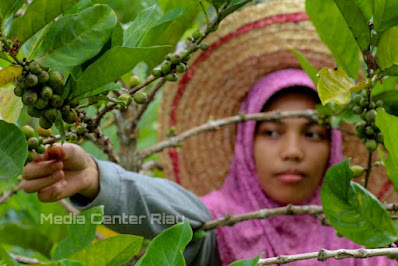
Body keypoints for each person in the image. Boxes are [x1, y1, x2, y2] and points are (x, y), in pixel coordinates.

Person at [21, 0, 395, 265]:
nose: (293, 151)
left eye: (313, 133)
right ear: (244, 142)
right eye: (271, 132)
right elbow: (175, 217)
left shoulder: (372, 241)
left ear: (334, 147)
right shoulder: (223, 228)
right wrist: (99, 179)